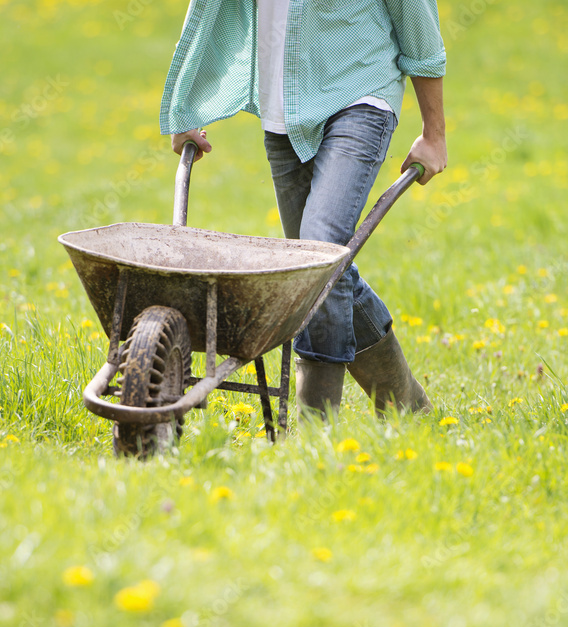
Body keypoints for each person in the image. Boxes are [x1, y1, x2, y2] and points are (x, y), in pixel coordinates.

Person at [160, 0, 447, 419]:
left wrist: (433, 133)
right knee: (319, 273)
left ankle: (317, 431)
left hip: (361, 93)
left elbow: (416, 19)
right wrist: (185, 107)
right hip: (284, 110)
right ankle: (408, 408)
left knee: (318, 250)